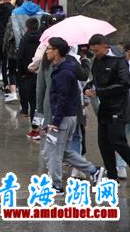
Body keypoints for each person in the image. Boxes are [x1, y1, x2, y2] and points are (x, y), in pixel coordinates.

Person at [42, 37, 104, 193]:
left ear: (56, 52)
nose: (47, 51)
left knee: (53, 152)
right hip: (68, 117)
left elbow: (62, 99)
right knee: (63, 152)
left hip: (62, 119)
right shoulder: (66, 68)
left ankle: (57, 185)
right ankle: (94, 170)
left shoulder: (64, 72)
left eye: (49, 48)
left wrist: (55, 121)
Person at [84, 34, 130, 180]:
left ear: (105, 46)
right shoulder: (97, 61)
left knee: (117, 140)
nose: (95, 54)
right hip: (104, 107)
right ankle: (111, 175)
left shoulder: (119, 61)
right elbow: (94, 80)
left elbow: (124, 84)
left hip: (119, 107)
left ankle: (119, 169)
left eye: (96, 51)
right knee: (103, 143)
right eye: (92, 51)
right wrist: (88, 86)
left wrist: (101, 90)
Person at [16, 18, 41, 140]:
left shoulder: (25, 39)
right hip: (40, 74)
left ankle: (35, 129)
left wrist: (21, 73)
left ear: (27, 27)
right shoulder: (43, 39)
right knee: (39, 103)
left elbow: (20, 56)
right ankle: (40, 126)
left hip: (28, 74)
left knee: (32, 103)